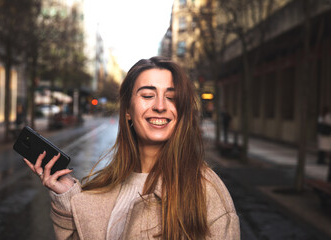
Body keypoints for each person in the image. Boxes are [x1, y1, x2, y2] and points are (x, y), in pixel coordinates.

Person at [23, 57, 240, 239]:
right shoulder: (103, 186)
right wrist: (68, 199)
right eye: (147, 95)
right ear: (127, 110)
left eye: (171, 98)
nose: (160, 106)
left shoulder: (206, 191)